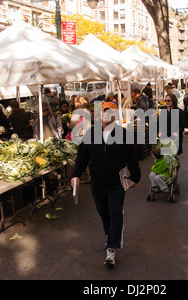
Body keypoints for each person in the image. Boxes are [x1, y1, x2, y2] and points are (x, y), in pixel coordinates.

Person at [71, 101, 141, 267]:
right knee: (104, 212)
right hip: (97, 183)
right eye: (105, 111)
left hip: (116, 183)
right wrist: (76, 174)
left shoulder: (123, 135)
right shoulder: (91, 134)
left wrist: (136, 178)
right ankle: (111, 234)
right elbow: (82, 157)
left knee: (115, 213)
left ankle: (111, 249)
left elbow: (132, 157)